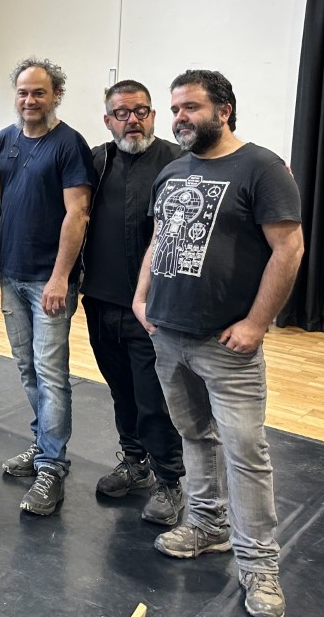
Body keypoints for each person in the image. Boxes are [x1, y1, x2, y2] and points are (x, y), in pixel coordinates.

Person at [132, 70, 303, 617]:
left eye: (191, 107)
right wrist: (141, 297)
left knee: (246, 454)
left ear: (223, 110)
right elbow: (161, 238)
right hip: (167, 333)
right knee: (193, 434)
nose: (180, 117)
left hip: (227, 346)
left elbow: (289, 249)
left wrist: (256, 322)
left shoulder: (262, 167)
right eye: (175, 108)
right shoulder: (174, 171)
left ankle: (259, 569)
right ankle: (207, 525)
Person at [0, 57, 96, 516]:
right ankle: (41, 446)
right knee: (27, 369)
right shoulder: (3, 140)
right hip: (10, 275)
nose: (30, 100)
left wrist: (60, 277)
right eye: (23, 92)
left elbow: (78, 215)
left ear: (56, 95)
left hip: (48, 281)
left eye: (39, 92)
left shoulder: (70, 145)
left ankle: (52, 465)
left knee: (51, 374)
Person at [82, 80, 186, 525]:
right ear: (108, 120)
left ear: (153, 115)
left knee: (152, 398)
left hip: (152, 311)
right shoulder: (96, 161)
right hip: (100, 303)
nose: (133, 120)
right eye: (122, 113)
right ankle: (135, 461)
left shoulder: (179, 163)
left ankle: (170, 480)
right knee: (121, 390)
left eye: (141, 111)